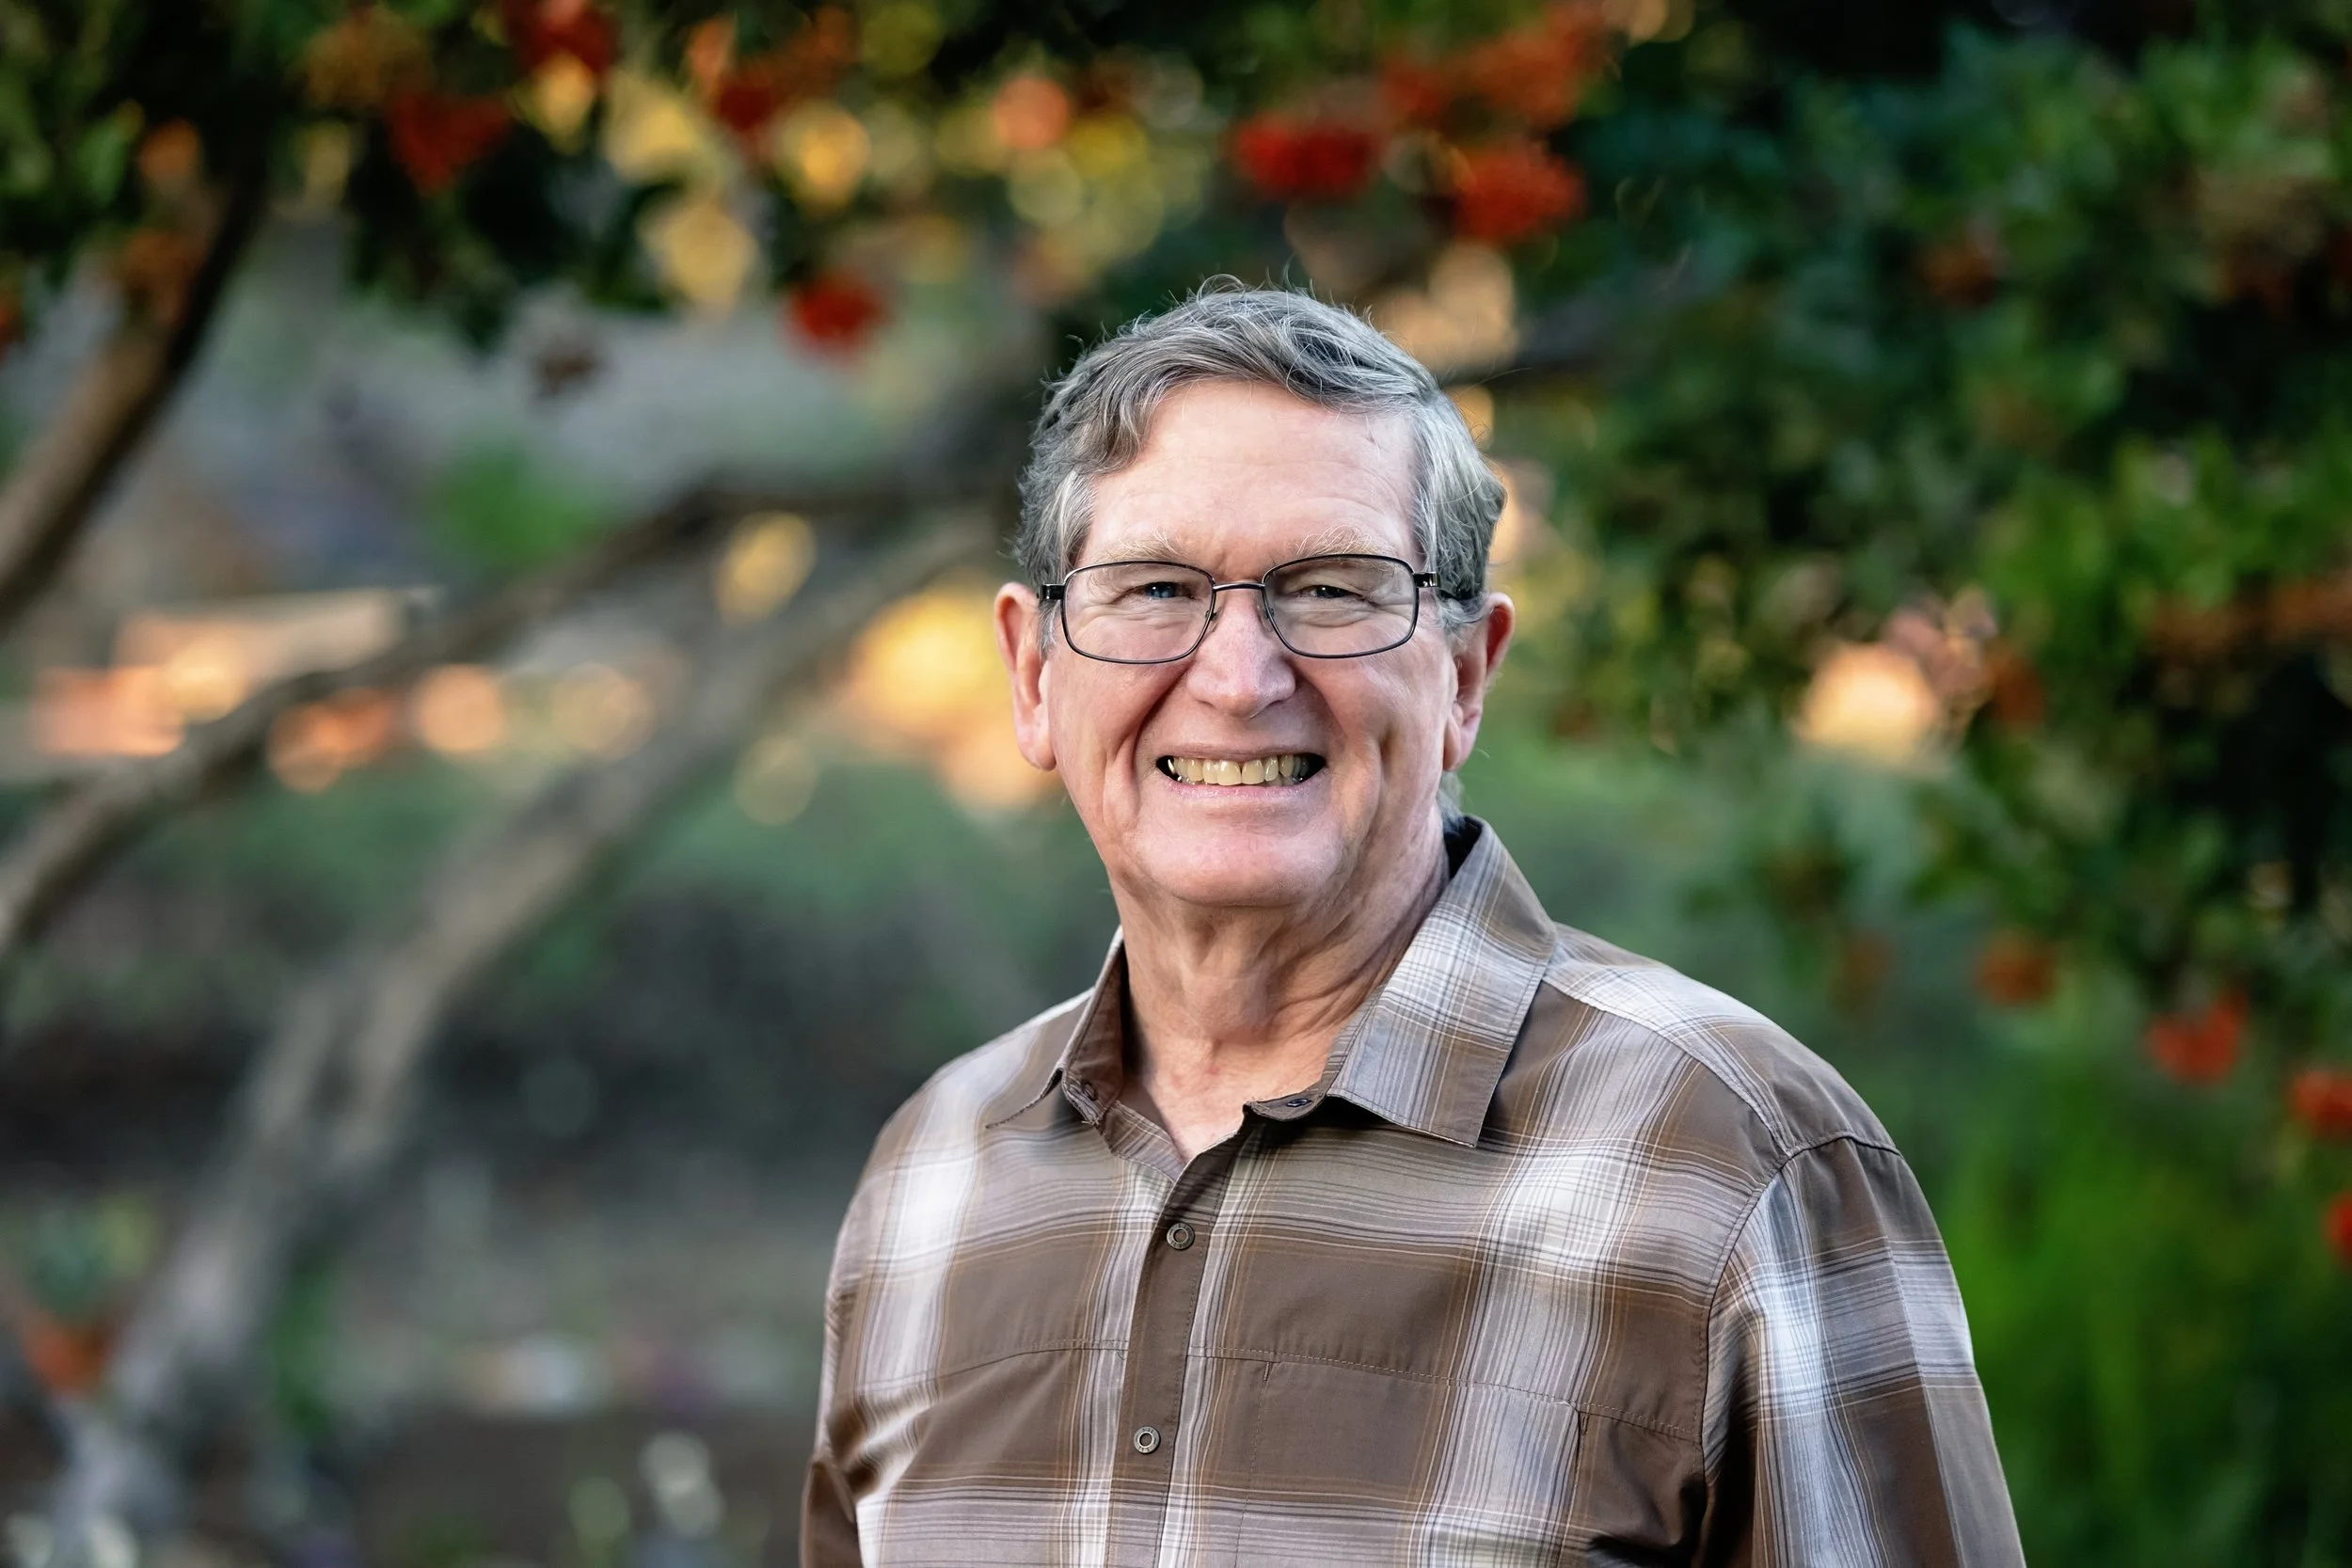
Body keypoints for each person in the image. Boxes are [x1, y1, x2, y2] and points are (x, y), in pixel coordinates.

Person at [802, 286, 2025, 1566]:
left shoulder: (1733, 1165)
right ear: (1035, 674)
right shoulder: (930, 1179)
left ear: (1468, 676)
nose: (1237, 675)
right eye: (1154, 588)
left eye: (1330, 590)